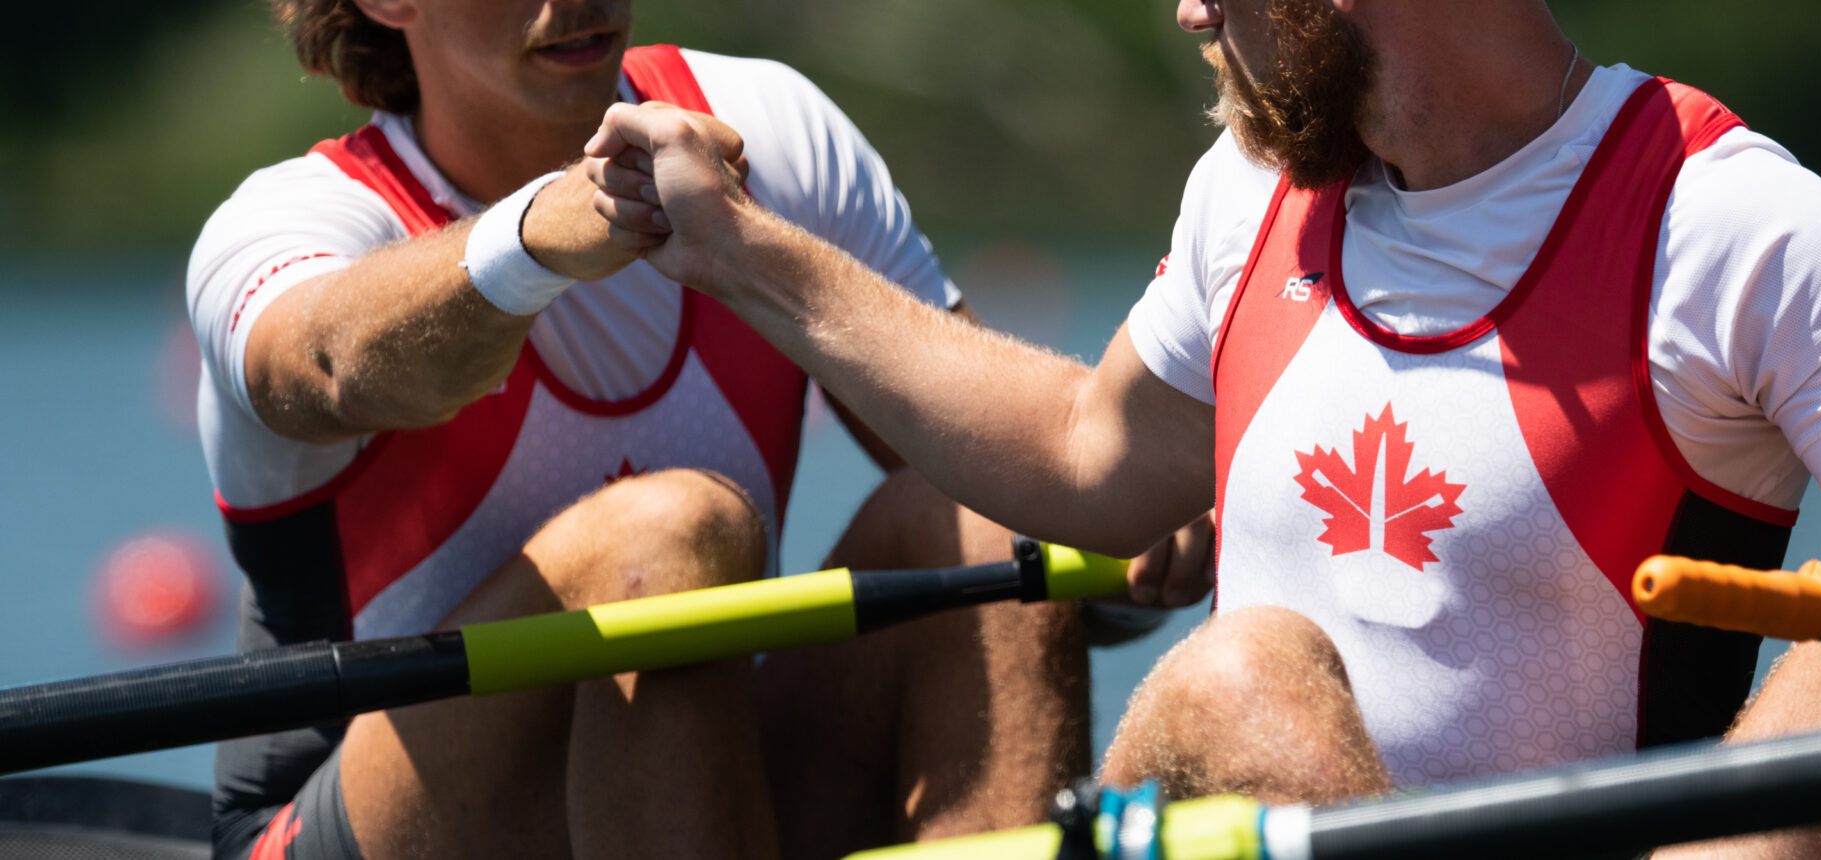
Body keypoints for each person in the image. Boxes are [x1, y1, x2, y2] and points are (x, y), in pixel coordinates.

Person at [584, 0, 1821, 853]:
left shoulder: (1736, 230)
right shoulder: (1252, 193)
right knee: (1243, 680)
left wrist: (1765, 840)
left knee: (1246, 674)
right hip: (1229, 806)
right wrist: (745, 251)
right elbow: (1085, 454)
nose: (1188, 10)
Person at [185, 1, 1213, 858]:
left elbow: (1036, 479)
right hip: (343, 823)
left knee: (983, 517)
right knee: (663, 539)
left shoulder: (764, 129)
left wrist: (1141, 537)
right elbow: (325, 366)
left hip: (676, 785)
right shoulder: (289, 226)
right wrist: (539, 236)